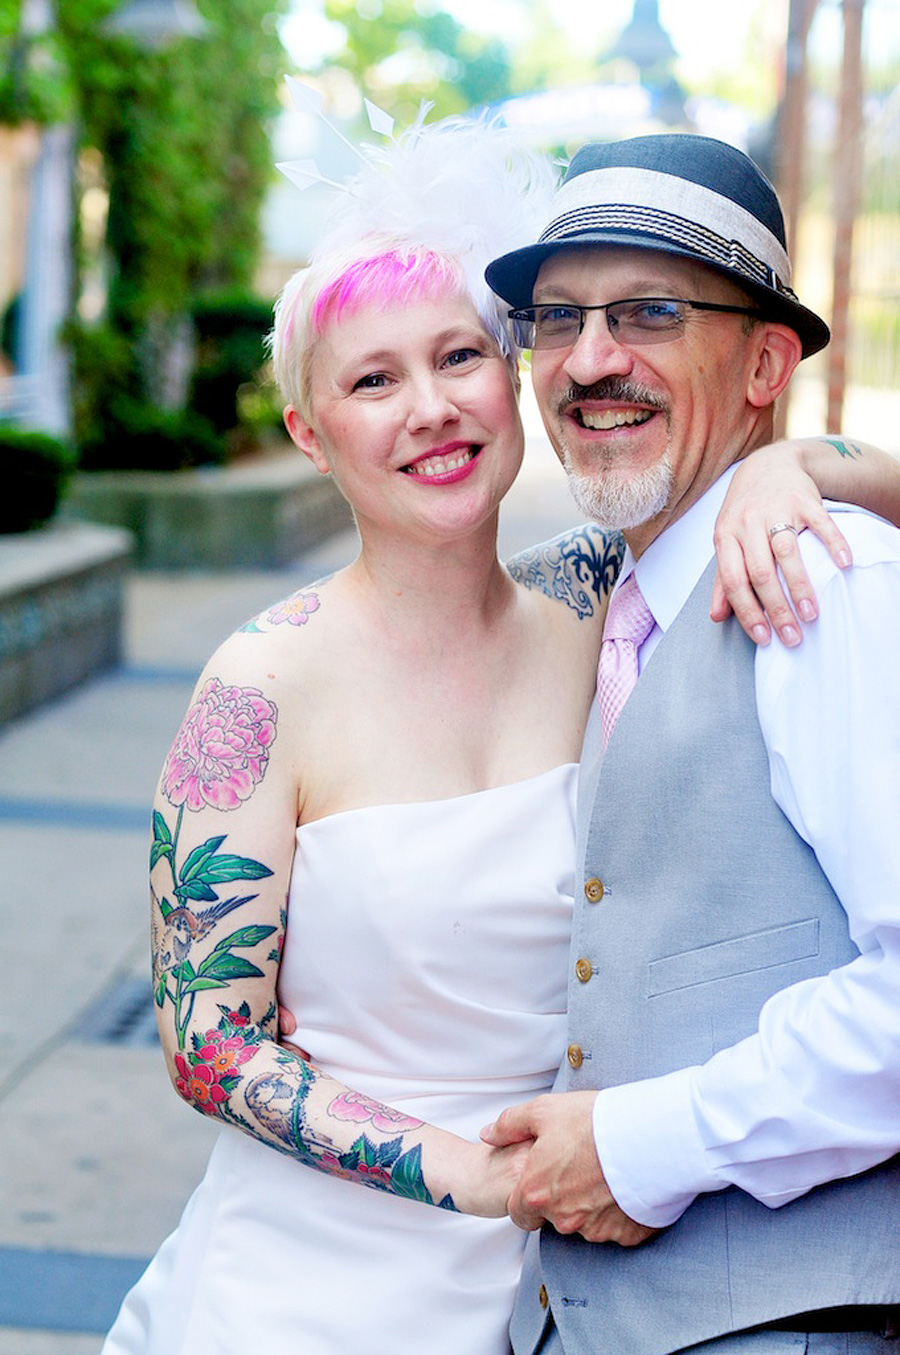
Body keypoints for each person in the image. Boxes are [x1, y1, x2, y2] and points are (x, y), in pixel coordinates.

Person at [102, 119, 900, 1355]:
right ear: (310, 432)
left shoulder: (598, 605)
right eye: (373, 381)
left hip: (550, 1292)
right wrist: (482, 1179)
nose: (430, 409)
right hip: (323, 1278)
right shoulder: (261, 685)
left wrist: (799, 463)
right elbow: (207, 1041)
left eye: (462, 356)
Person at [480, 134, 900, 1354]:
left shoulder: (829, 579)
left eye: (651, 311)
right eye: (556, 320)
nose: (592, 360)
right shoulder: (595, 601)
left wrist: (636, 1144)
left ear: (767, 360)